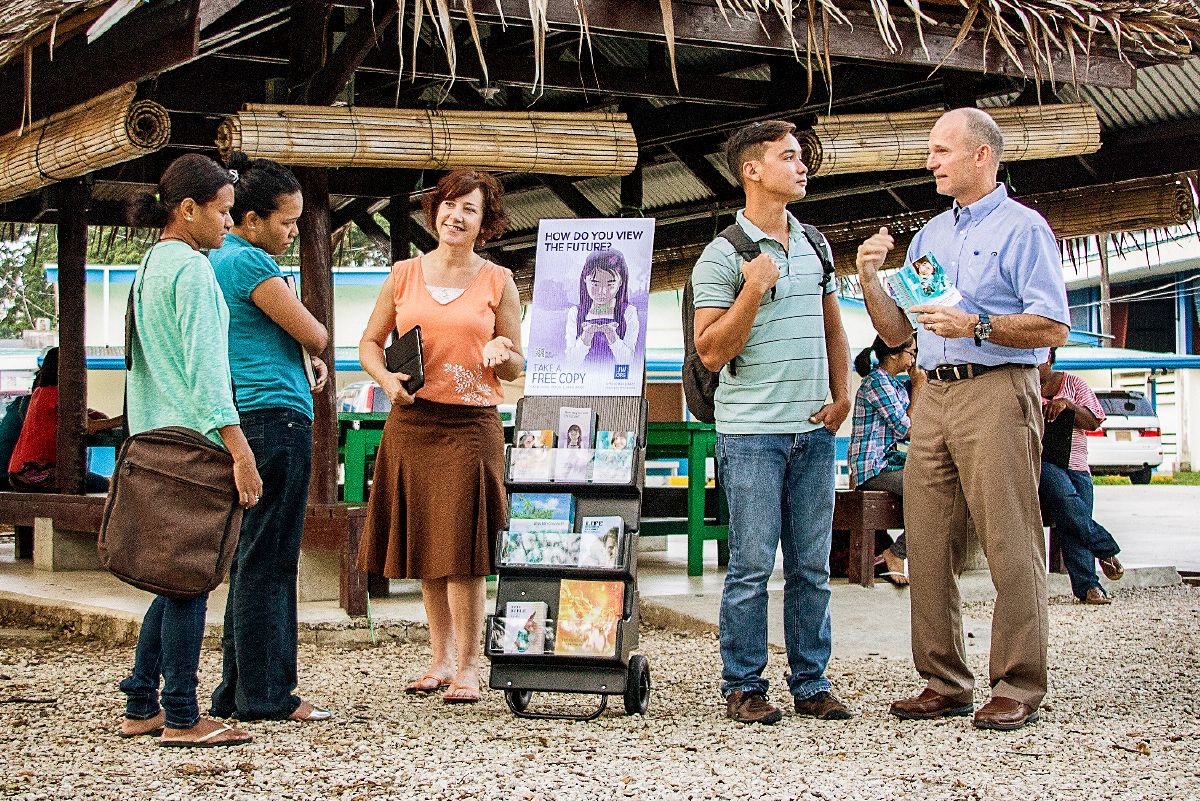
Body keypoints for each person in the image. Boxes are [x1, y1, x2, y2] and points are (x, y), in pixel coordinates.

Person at [855, 108, 1070, 732]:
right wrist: (869, 277)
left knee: (1009, 540)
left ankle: (1018, 684)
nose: (931, 162)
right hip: (933, 394)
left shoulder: (1025, 229)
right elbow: (897, 333)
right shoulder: (929, 236)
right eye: (931, 151)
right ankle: (943, 680)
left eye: (942, 150)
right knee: (925, 543)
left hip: (999, 391)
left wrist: (976, 324)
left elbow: (1053, 326)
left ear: (982, 155)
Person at [691, 120, 853, 725]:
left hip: (814, 431)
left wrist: (843, 395)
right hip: (750, 433)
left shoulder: (816, 244)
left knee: (812, 567)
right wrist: (753, 288)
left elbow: (833, 325)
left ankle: (811, 683)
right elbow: (711, 351)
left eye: (801, 156)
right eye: (789, 157)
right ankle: (743, 685)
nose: (802, 164)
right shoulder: (722, 255)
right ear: (752, 171)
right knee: (752, 566)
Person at [356, 168, 523, 703]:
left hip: (471, 424)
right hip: (412, 420)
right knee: (428, 542)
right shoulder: (403, 274)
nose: (456, 215)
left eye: (469, 208)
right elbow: (369, 344)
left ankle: (470, 665)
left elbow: (516, 363)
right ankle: (440, 659)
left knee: (464, 550)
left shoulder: (498, 280)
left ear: (484, 222)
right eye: (449, 204)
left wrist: (502, 353)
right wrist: (386, 380)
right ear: (435, 211)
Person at [118, 153, 261, 747]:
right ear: (188, 209)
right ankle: (181, 714)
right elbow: (206, 373)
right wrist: (239, 450)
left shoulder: (150, 265)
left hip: (152, 437)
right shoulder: (194, 272)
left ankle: (141, 701)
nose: (228, 223)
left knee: (173, 578)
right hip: (194, 445)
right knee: (192, 579)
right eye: (222, 212)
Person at [207, 153, 332, 723]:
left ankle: (238, 689)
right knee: (273, 560)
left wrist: (301, 355)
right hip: (275, 419)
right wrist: (311, 346)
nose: (292, 232)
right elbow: (315, 331)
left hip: (250, 415)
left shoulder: (216, 260)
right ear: (251, 219)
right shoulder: (250, 262)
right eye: (286, 222)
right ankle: (268, 694)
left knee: (252, 556)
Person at [1038, 349, 1124, 605]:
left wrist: (1069, 406)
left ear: (1050, 357)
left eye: (1040, 357)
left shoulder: (1074, 384)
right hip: (1042, 461)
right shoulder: (1024, 385)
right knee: (1067, 501)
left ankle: (1089, 588)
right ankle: (1105, 548)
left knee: (1074, 519)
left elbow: (1094, 421)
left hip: (1076, 465)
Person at [846, 335, 923, 586]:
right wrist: (918, 387)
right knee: (931, 491)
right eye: (911, 353)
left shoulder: (895, 385)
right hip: (873, 467)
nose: (914, 359)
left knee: (941, 482)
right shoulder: (877, 382)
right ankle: (897, 553)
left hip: (887, 463)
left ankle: (901, 552)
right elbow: (907, 429)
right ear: (893, 354)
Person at [6, 347, 111, 493]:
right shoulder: (62, 395)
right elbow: (89, 426)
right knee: (110, 483)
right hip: (38, 473)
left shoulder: (39, 393)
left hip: (17, 473)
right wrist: (122, 420)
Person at [564, 247, 640, 366]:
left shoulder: (628, 312)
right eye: (595, 284)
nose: (602, 292)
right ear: (585, 279)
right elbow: (571, 362)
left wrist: (612, 336)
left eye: (610, 285)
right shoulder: (576, 312)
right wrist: (586, 336)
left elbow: (628, 361)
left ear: (621, 282)